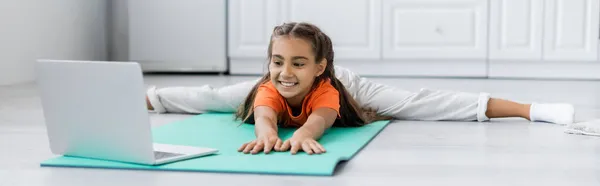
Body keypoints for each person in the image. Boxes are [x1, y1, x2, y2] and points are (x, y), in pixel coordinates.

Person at [145, 22, 576, 155]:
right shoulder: (269, 84)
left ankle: (530, 108)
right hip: (272, 92)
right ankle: (144, 96)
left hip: (349, 89)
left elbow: (318, 121)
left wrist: (301, 137)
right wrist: (268, 135)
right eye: (278, 61)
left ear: (320, 66)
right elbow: (263, 116)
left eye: (298, 63)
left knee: (417, 104)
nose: (286, 71)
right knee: (216, 97)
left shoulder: (333, 87)